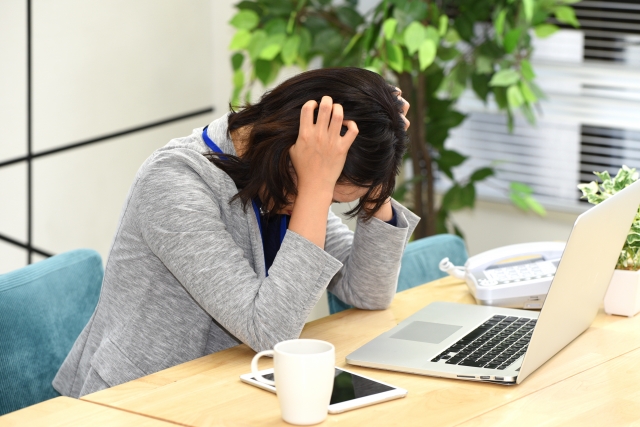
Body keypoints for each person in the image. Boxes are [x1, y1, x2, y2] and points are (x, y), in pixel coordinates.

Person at [53, 67, 420, 398]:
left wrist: (378, 172)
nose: (320, 209)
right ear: (294, 149)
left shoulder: (283, 181)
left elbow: (368, 291)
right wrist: (316, 188)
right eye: (322, 193)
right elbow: (269, 331)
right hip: (134, 400)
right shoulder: (173, 183)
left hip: (227, 391)